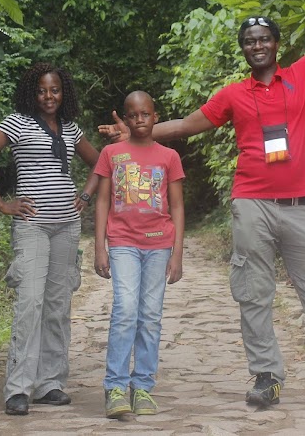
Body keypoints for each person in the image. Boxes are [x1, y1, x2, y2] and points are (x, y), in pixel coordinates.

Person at [100, 0, 305, 410]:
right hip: (251, 205)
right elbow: (185, 125)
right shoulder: (233, 94)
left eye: (263, 39)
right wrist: (137, 134)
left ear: (276, 44)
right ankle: (266, 376)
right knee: (253, 293)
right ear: (244, 50)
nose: (257, 46)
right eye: (249, 41)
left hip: (300, 206)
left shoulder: (303, 75)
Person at [0, 62, 100, 416]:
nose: (48, 96)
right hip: (33, 226)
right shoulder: (16, 123)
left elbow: (101, 163)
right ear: (32, 92)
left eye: (55, 90)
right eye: (42, 90)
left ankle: (50, 384)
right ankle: (18, 388)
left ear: (63, 92)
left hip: (67, 227)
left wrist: (85, 196)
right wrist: (1, 204)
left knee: (58, 306)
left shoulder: (71, 129)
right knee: (30, 304)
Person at [93, 91, 185, 419]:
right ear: (127, 120)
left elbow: (176, 206)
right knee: (125, 310)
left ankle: (143, 386)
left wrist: (178, 253)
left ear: (155, 116)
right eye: (133, 115)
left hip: (160, 244)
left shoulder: (169, 157)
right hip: (122, 243)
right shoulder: (112, 153)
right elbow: (103, 199)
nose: (139, 119)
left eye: (145, 114)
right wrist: (99, 246)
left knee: (150, 316)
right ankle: (115, 386)